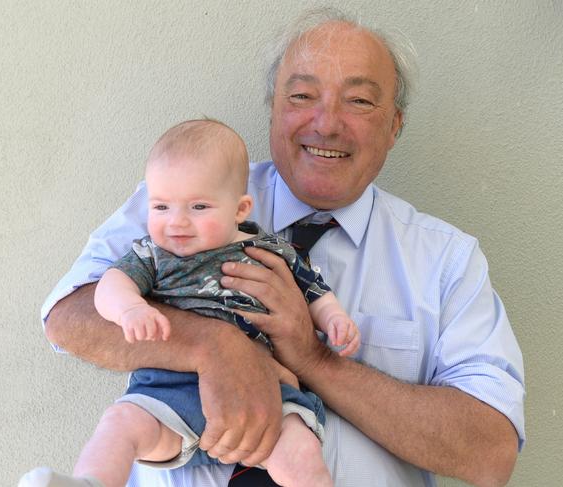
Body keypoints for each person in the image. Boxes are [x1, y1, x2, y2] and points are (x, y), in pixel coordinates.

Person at [40, 7, 525, 487]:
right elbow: (70, 318)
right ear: (274, 107)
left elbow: (491, 452)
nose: (326, 123)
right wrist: (215, 345)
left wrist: (315, 359)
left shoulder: (447, 259)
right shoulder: (181, 197)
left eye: (358, 101)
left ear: (395, 125)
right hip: (172, 424)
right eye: (302, 95)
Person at [21, 119, 360, 487]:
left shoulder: (269, 251)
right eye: (161, 207)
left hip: (267, 394)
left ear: (240, 209)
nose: (177, 222)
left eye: (198, 206)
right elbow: (110, 285)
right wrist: (129, 309)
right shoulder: (153, 255)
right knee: (120, 426)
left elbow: (313, 290)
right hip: (167, 389)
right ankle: (91, 482)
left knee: (301, 452)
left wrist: (334, 317)